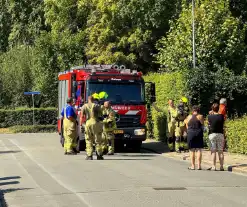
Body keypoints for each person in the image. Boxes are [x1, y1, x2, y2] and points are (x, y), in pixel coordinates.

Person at [184, 105, 204, 170]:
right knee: (199, 150)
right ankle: (199, 166)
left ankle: (193, 166)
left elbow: (186, 124)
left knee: (192, 150)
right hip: (198, 133)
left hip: (190, 133)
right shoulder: (200, 116)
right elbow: (202, 124)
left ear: (192, 110)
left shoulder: (189, 117)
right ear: (198, 110)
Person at [207, 103, 225, 171]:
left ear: (212, 109)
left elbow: (209, 124)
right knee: (220, 151)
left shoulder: (209, 116)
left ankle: (213, 166)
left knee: (213, 151)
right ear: (218, 109)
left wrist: (210, 114)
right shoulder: (221, 116)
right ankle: (221, 166)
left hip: (212, 134)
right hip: (220, 134)